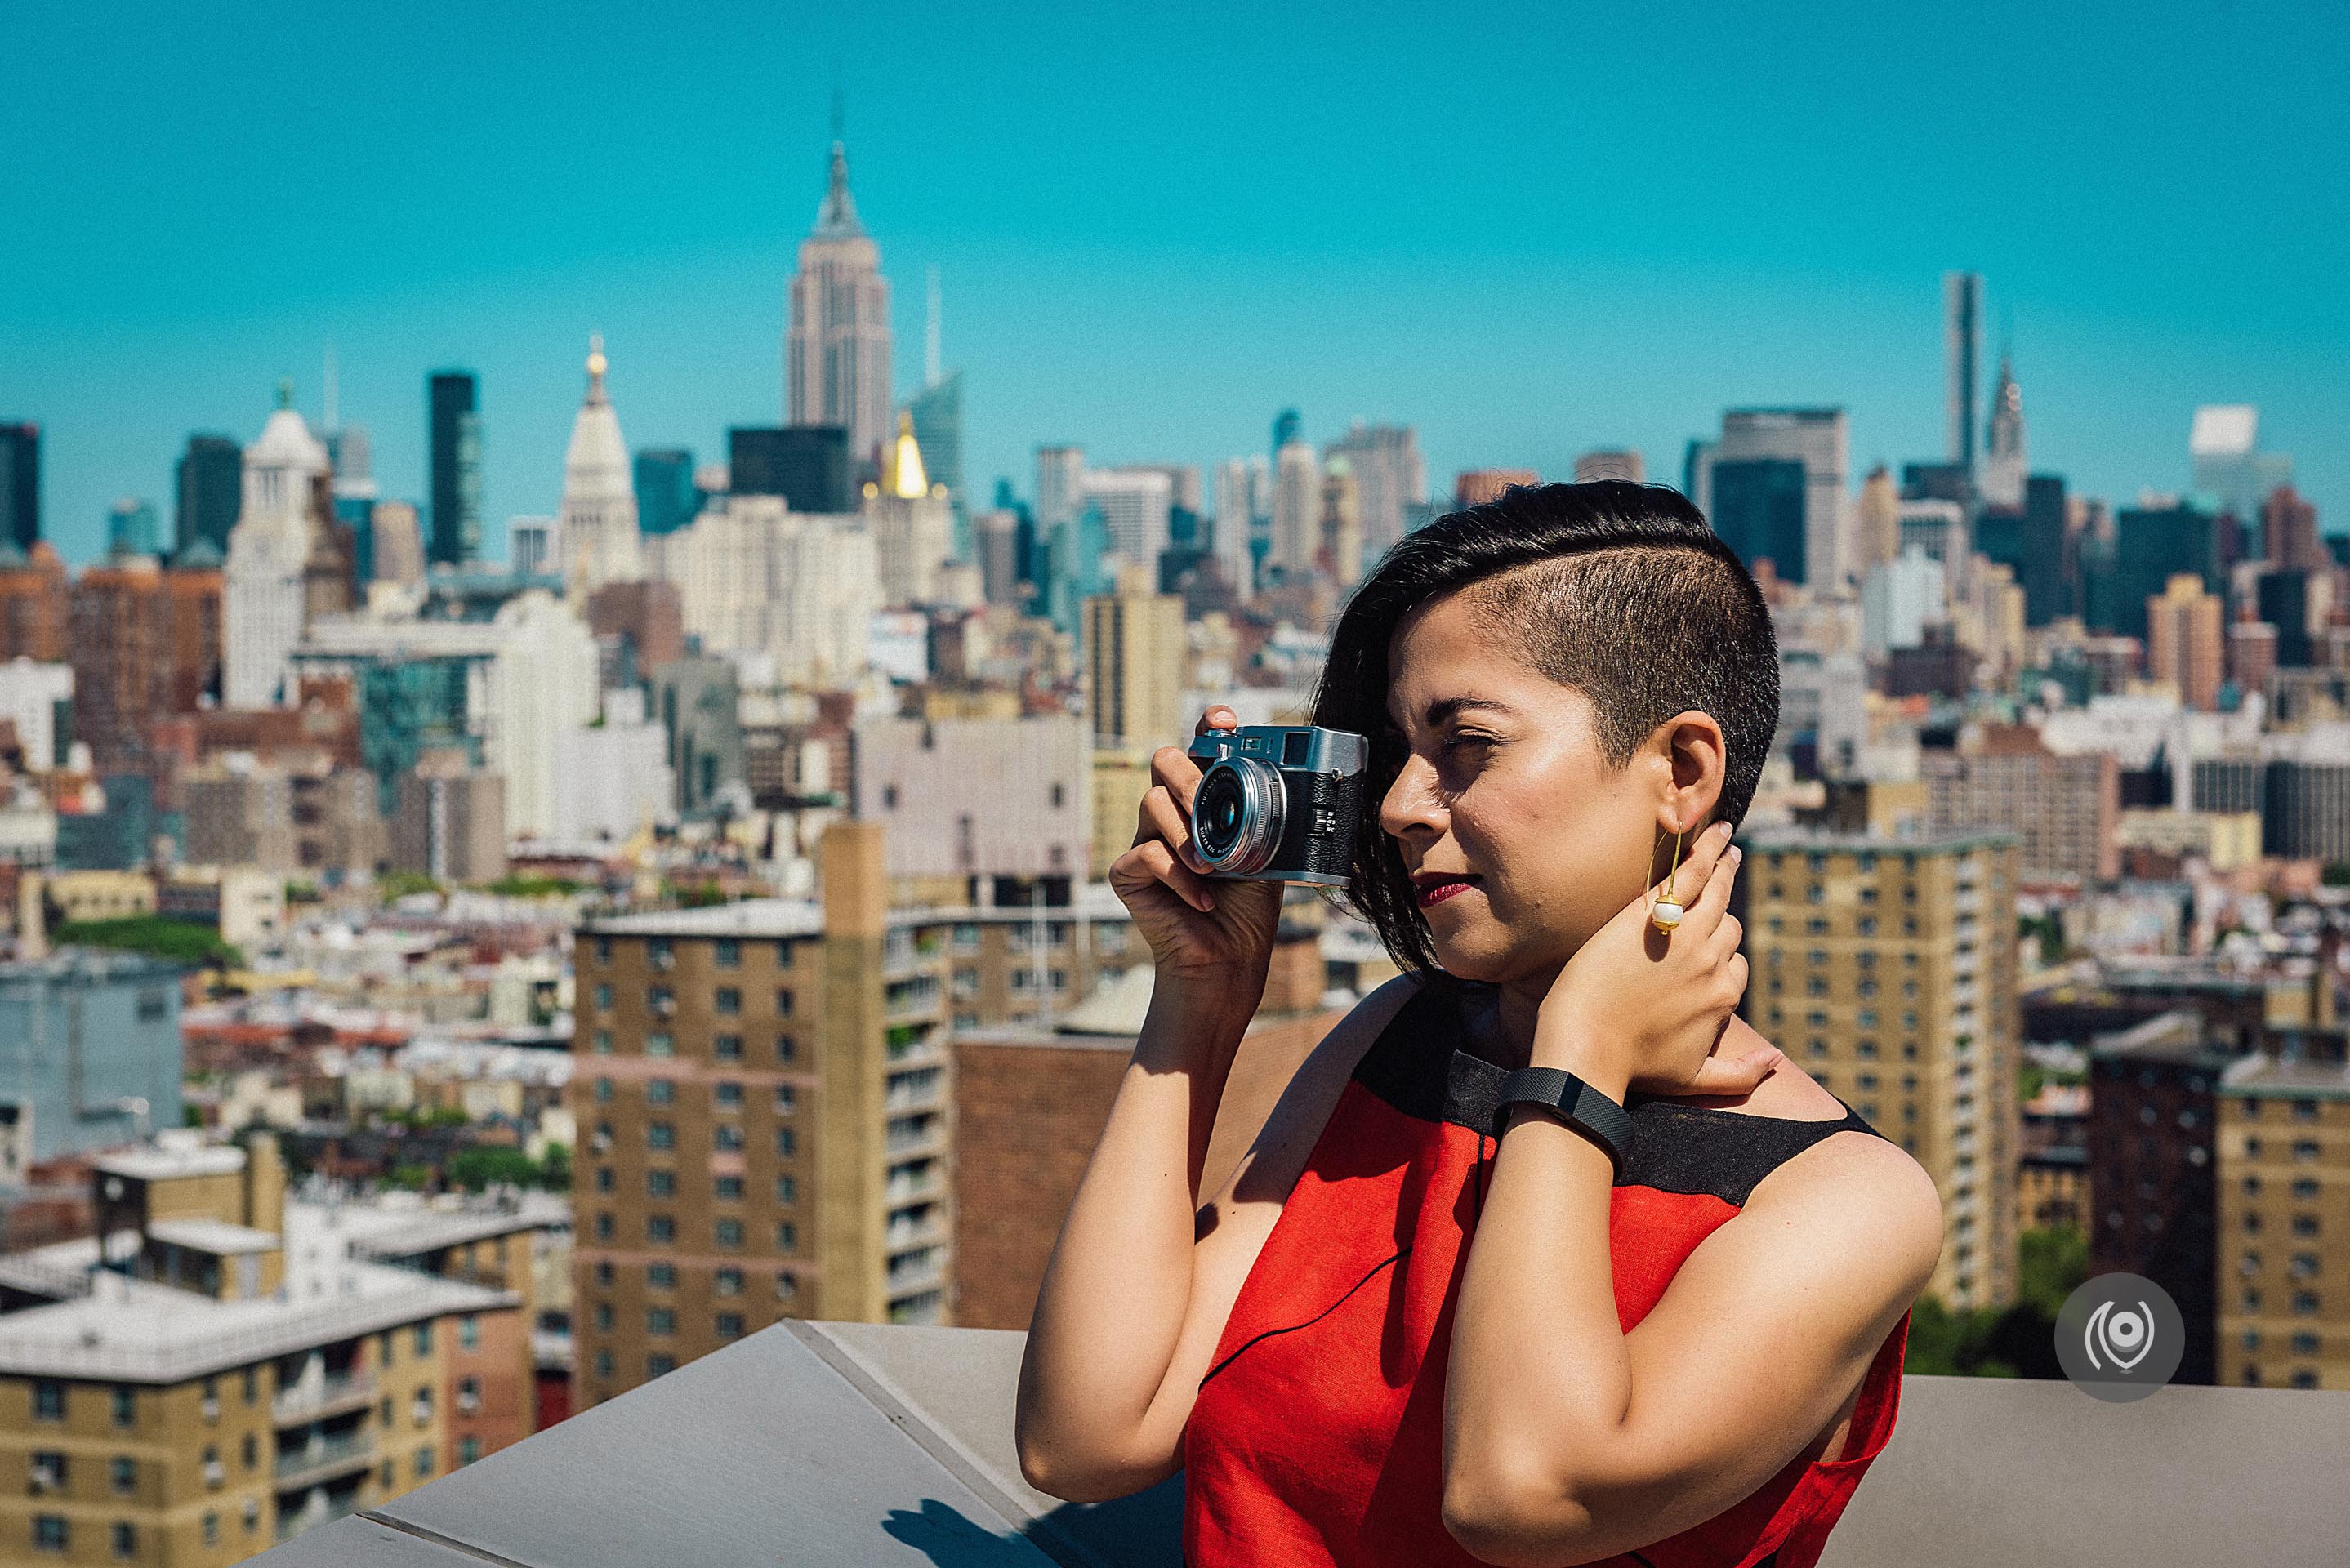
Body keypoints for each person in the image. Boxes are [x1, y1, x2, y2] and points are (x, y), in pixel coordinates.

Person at [1015, 481, 1944, 1568]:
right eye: (1401, 750)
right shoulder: (1396, 1042)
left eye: (1465, 743)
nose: (1404, 804)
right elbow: (1081, 1441)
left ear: (1681, 773)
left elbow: (1516, 1494)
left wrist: (1577, 1059)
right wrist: (1199, 997)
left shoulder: (1841, 1202)